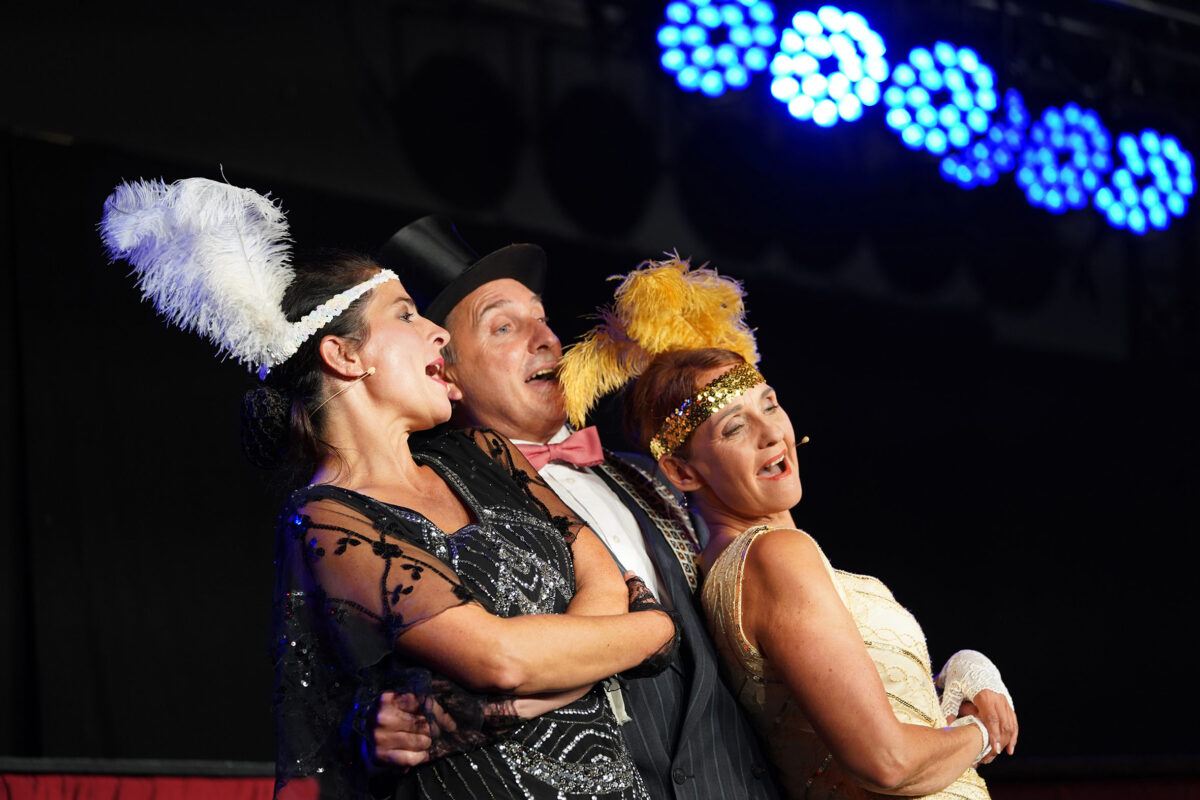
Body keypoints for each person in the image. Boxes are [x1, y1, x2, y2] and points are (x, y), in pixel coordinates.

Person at [100, 178, 678, 800]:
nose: (438, 333)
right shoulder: (329, 521)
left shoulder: (485, 454)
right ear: (346, 356)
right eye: (406, 314)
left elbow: (605, 589)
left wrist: (494, 706)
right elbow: (504, 658)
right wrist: (648, 630)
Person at [559, 257, 1019, 800]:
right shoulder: (776, 554)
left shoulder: (737, 566)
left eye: (769, 405)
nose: (770, 434)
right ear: (682, 472)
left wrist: (961, 674)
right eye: (734, 427)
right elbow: (888, 763)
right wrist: (981, 733)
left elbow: (867, 716)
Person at [372, 217, 780, 800]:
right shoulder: (435, 499)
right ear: (447, 372)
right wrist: (376, 716)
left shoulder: (651, 475)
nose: (545, 339)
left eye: (541, 317)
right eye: (504, 326)